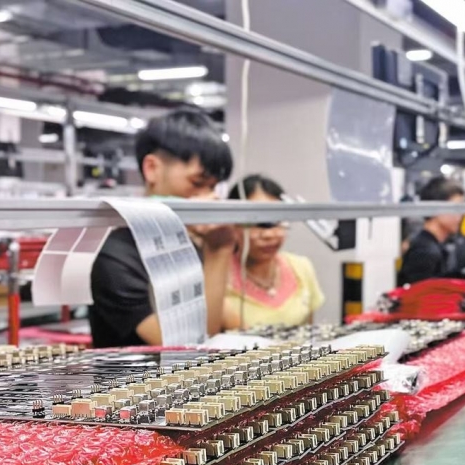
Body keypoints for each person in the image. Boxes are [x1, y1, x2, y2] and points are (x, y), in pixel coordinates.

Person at [90, 109, 235, 347]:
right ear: (152, 169)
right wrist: (219, 252)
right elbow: (190, 347)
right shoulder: (115, 257)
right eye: (197, 183)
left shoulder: (190, 244)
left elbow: (219, 321)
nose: (208, 197)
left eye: (213, 187)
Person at [222, 174, 324, 329]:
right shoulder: (219, 279)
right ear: (234, 225)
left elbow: (309, 334)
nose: (269, 234)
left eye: (276, 221)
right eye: (257, 223)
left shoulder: (301, 269)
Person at [398, 177, 465, 285]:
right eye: (456, 209)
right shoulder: (425, 252)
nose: (461, 215)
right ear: (437, 208)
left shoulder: (430, 246)